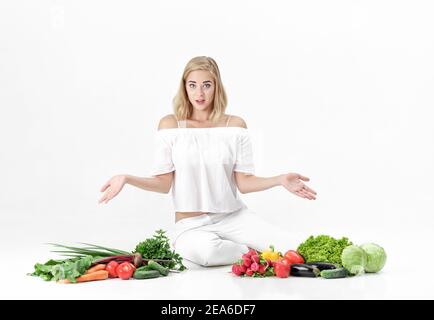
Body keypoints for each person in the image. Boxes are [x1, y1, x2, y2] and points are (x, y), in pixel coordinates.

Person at [98, 56, 317, 267]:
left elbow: (245, 183)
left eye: (207, 85)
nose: (199, 93)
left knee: (293, 246)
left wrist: (279, 180)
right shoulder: (170, 126)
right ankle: (250, 252)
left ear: (217, 87)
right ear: (184, 87)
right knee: (207, 254)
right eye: (192, 85)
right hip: (191, 225)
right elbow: (163, 184)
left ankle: (258, 246)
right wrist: (126, 178)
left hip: (233, 217)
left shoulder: (235, 126)